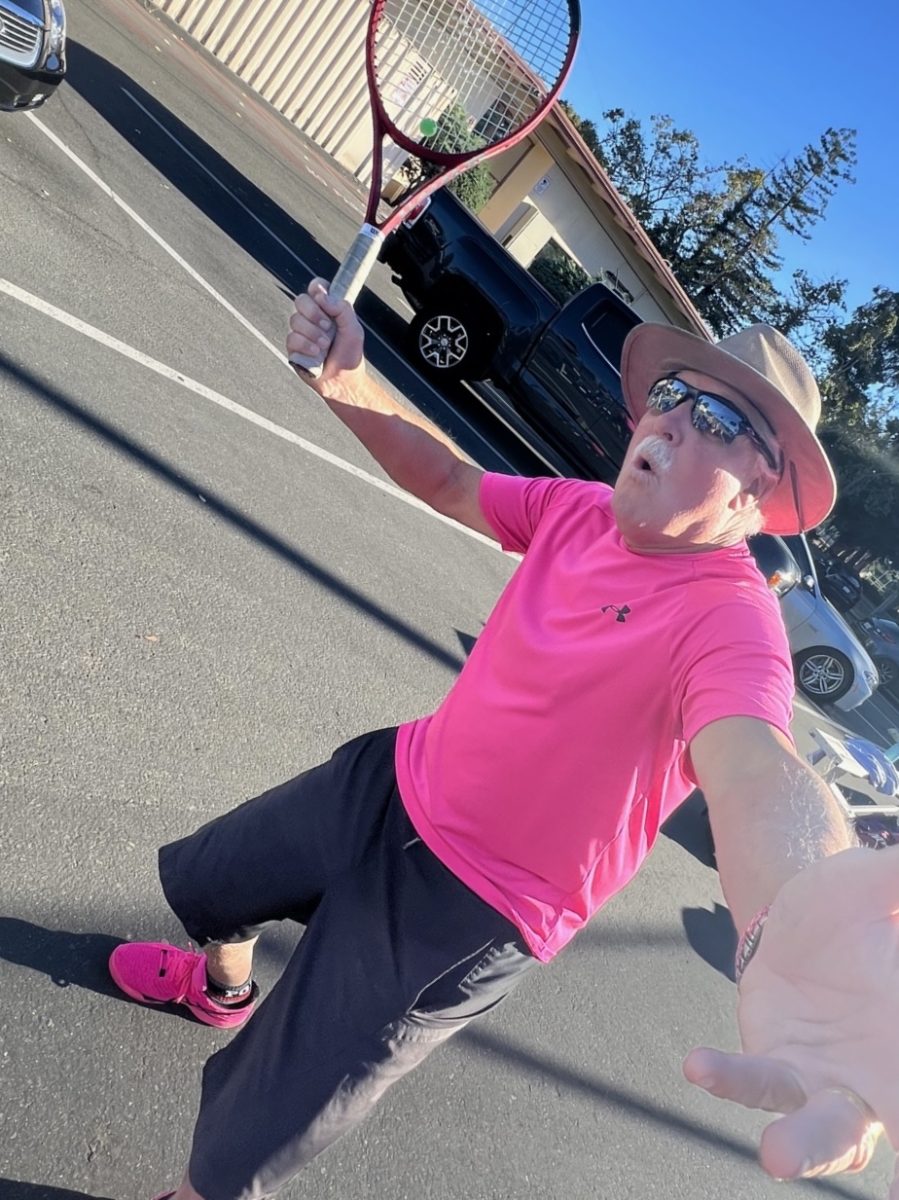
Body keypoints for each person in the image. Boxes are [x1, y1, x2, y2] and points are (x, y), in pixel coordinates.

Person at [112, 282, 899, 1200]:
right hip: (395, 779)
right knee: (216, 883)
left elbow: (754, 764)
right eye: (670, 395)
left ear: (759, 493)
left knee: (246, 1140)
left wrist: (806, 905)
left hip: (475, 909)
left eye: (717, 416)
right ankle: (221, 990)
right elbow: (450, 480)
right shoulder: (578, 511)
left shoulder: (731, 623)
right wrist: (345, 381)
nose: (673, 421)